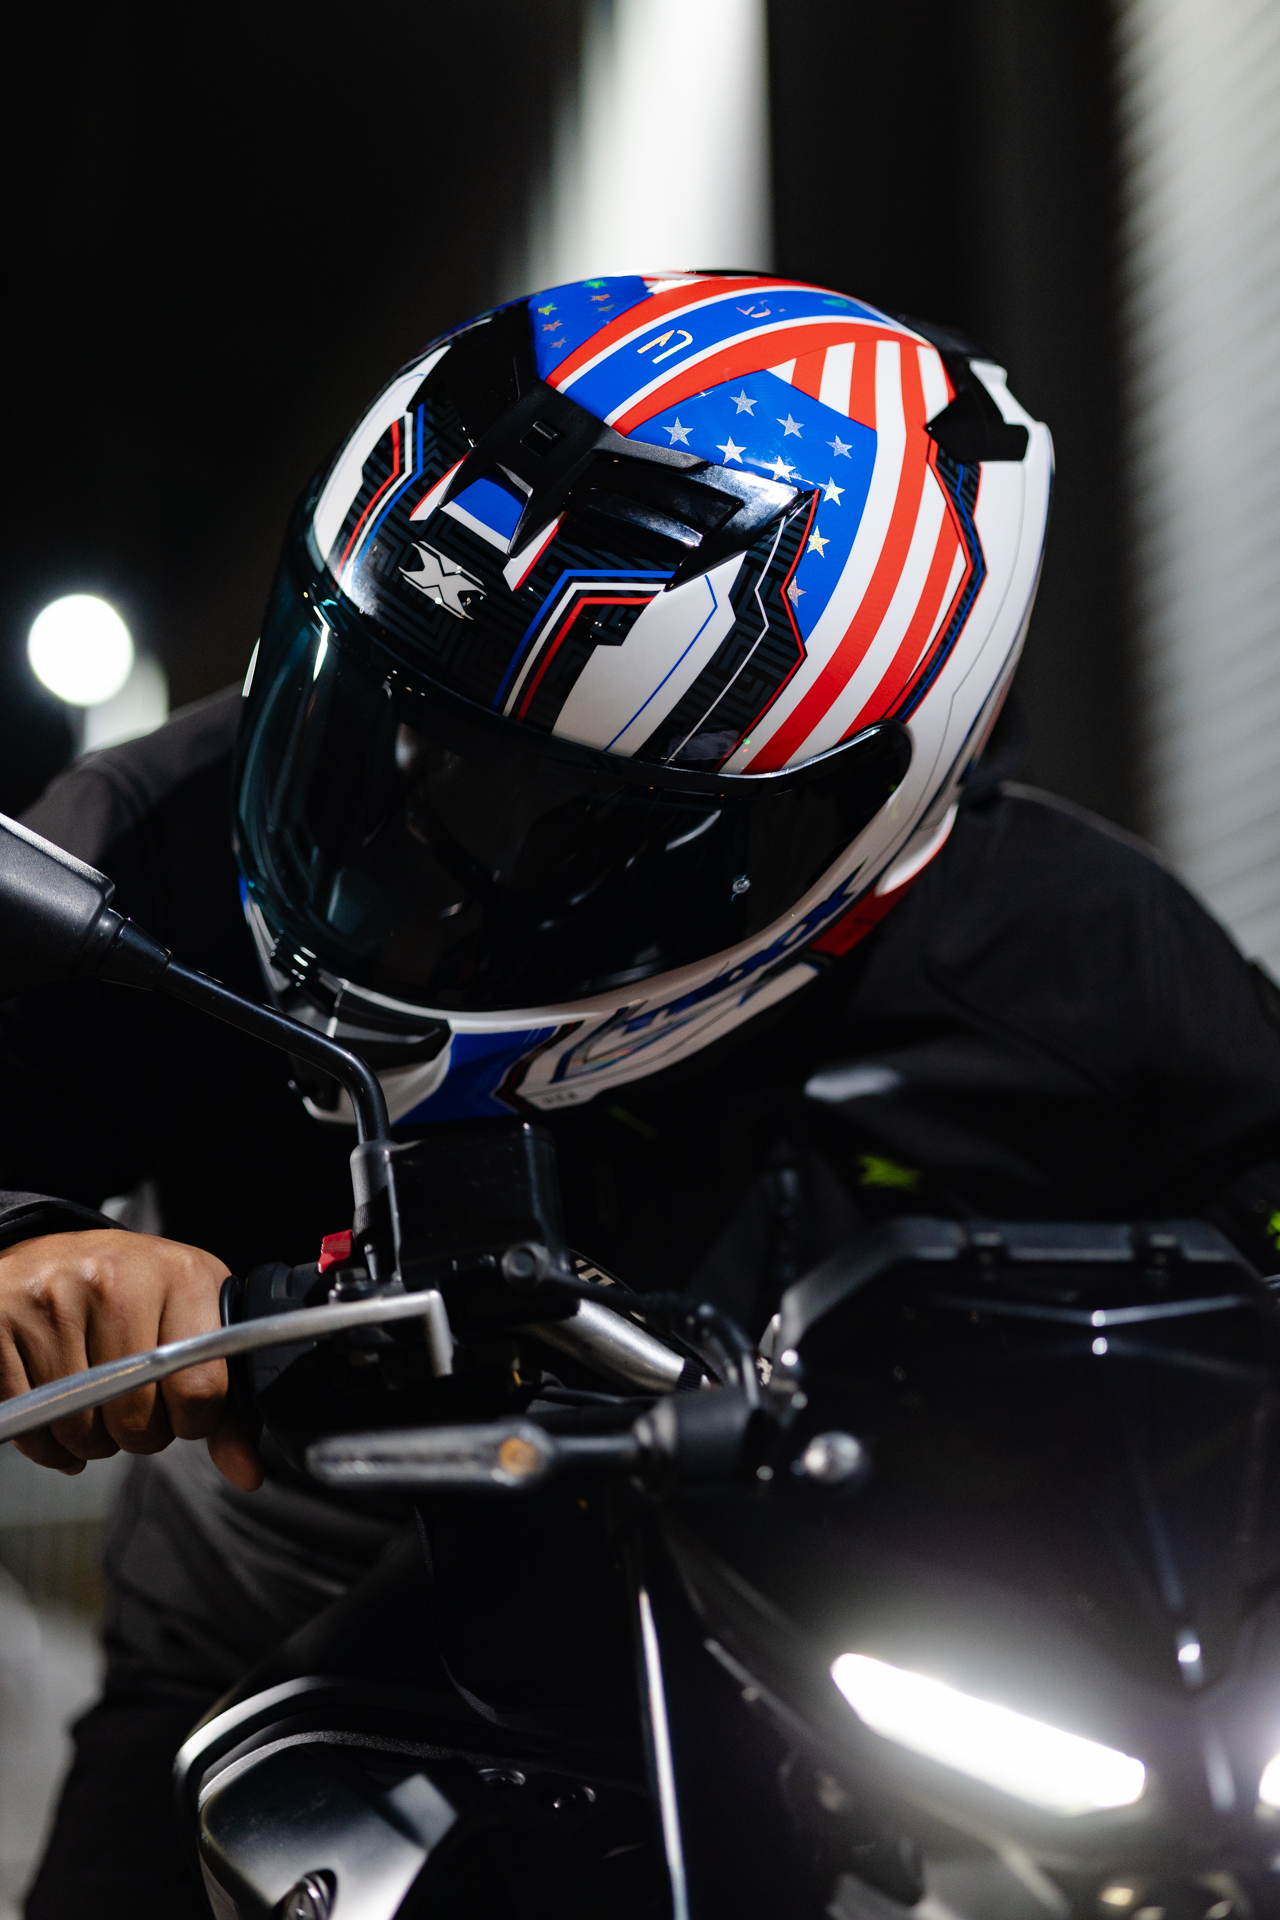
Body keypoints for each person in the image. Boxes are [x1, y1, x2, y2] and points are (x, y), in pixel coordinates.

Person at [4, 273, 1280, 1918]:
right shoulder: (151, 844)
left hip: (875, 1628)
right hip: (293, 1594)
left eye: (567, 819)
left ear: (850, 823)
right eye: (383, 722)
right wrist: (36, 1251)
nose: (416, 841)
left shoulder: (1067, 953)